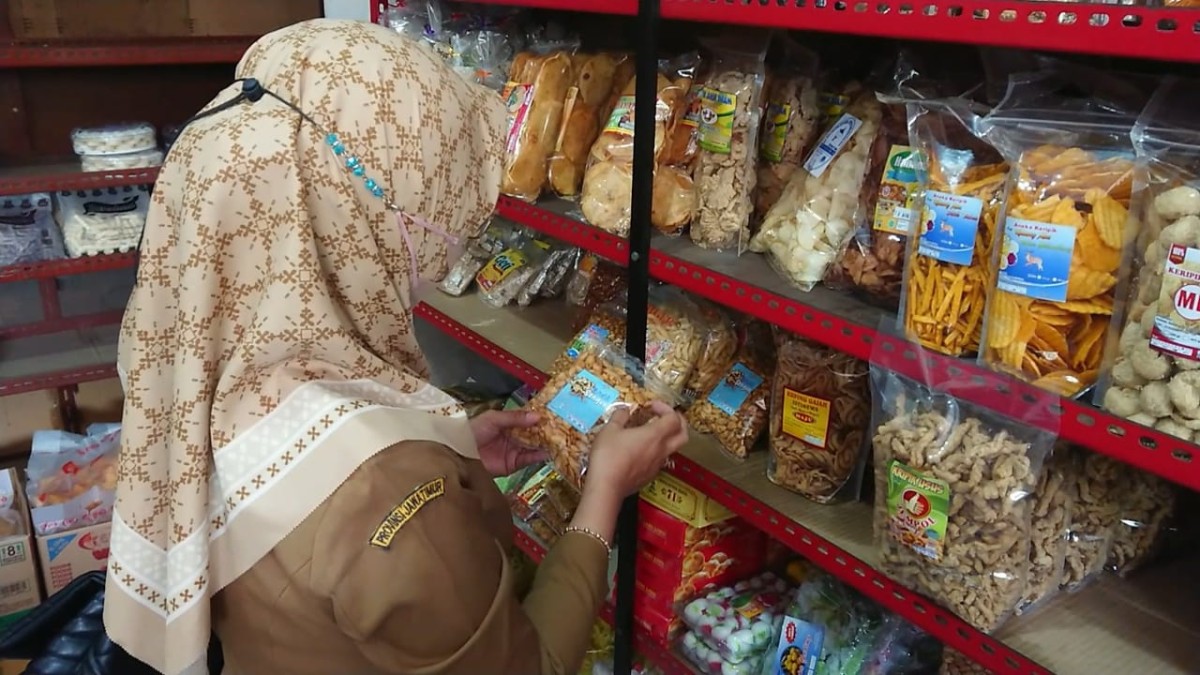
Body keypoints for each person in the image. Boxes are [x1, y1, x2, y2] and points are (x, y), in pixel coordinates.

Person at [103, 19, 688, 675]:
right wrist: (604, 492)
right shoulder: (390, 496)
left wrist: (451, 444)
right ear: (356, 210)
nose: (454, 240)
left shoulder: (194, 360)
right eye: (437, 202)